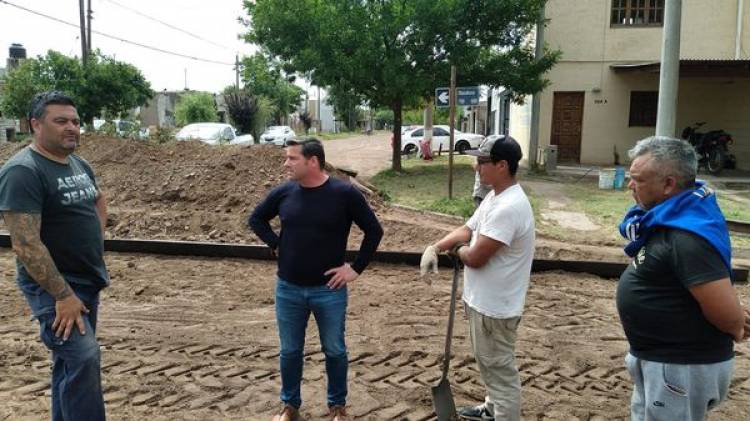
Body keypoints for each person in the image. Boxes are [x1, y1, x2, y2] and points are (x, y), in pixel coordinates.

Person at [249, 138, 383, 421]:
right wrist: (276, 243)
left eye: (292, 158)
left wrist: (355, 269)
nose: (286, 163)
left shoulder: (344, 193)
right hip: (288, 289)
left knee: (334, 350)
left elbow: (374, 230)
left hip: (329, 291)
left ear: (312, 161)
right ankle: (290, 407)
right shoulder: (285, 193)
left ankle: (337, 408)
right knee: (290, 351)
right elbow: (256, 219)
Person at [617, 136, 750, 421]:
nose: (630, 185)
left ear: (668, 184)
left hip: (680, 367)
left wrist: (736, 324)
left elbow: (726, 314)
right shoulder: (668, 219)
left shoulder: (687, 237)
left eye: (637, 179)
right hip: (663, 362)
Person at [0, 91, 109, 420]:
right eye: (60, 121)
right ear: (35, 124)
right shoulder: (23, 171)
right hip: (55, 287)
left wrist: (93, 240)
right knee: (83, 357)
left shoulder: (79, 163)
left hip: (86, 281)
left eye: (75, 121)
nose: (71, 128)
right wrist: (62, 295)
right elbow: (25, 243)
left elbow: (98, 202)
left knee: (69, 365)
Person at [420, 135, 535, 421]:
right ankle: (491, 408)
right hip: (483, 303)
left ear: (502, 165)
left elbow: (476, 256)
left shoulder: (509, 208)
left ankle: (502, 412)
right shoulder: (495, 197)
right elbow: (467, 229)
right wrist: (437, 247)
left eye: (482, 162)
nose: (476, 167)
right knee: (490, 366)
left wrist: (456, 251)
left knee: (500, 373)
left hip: (495, 310)